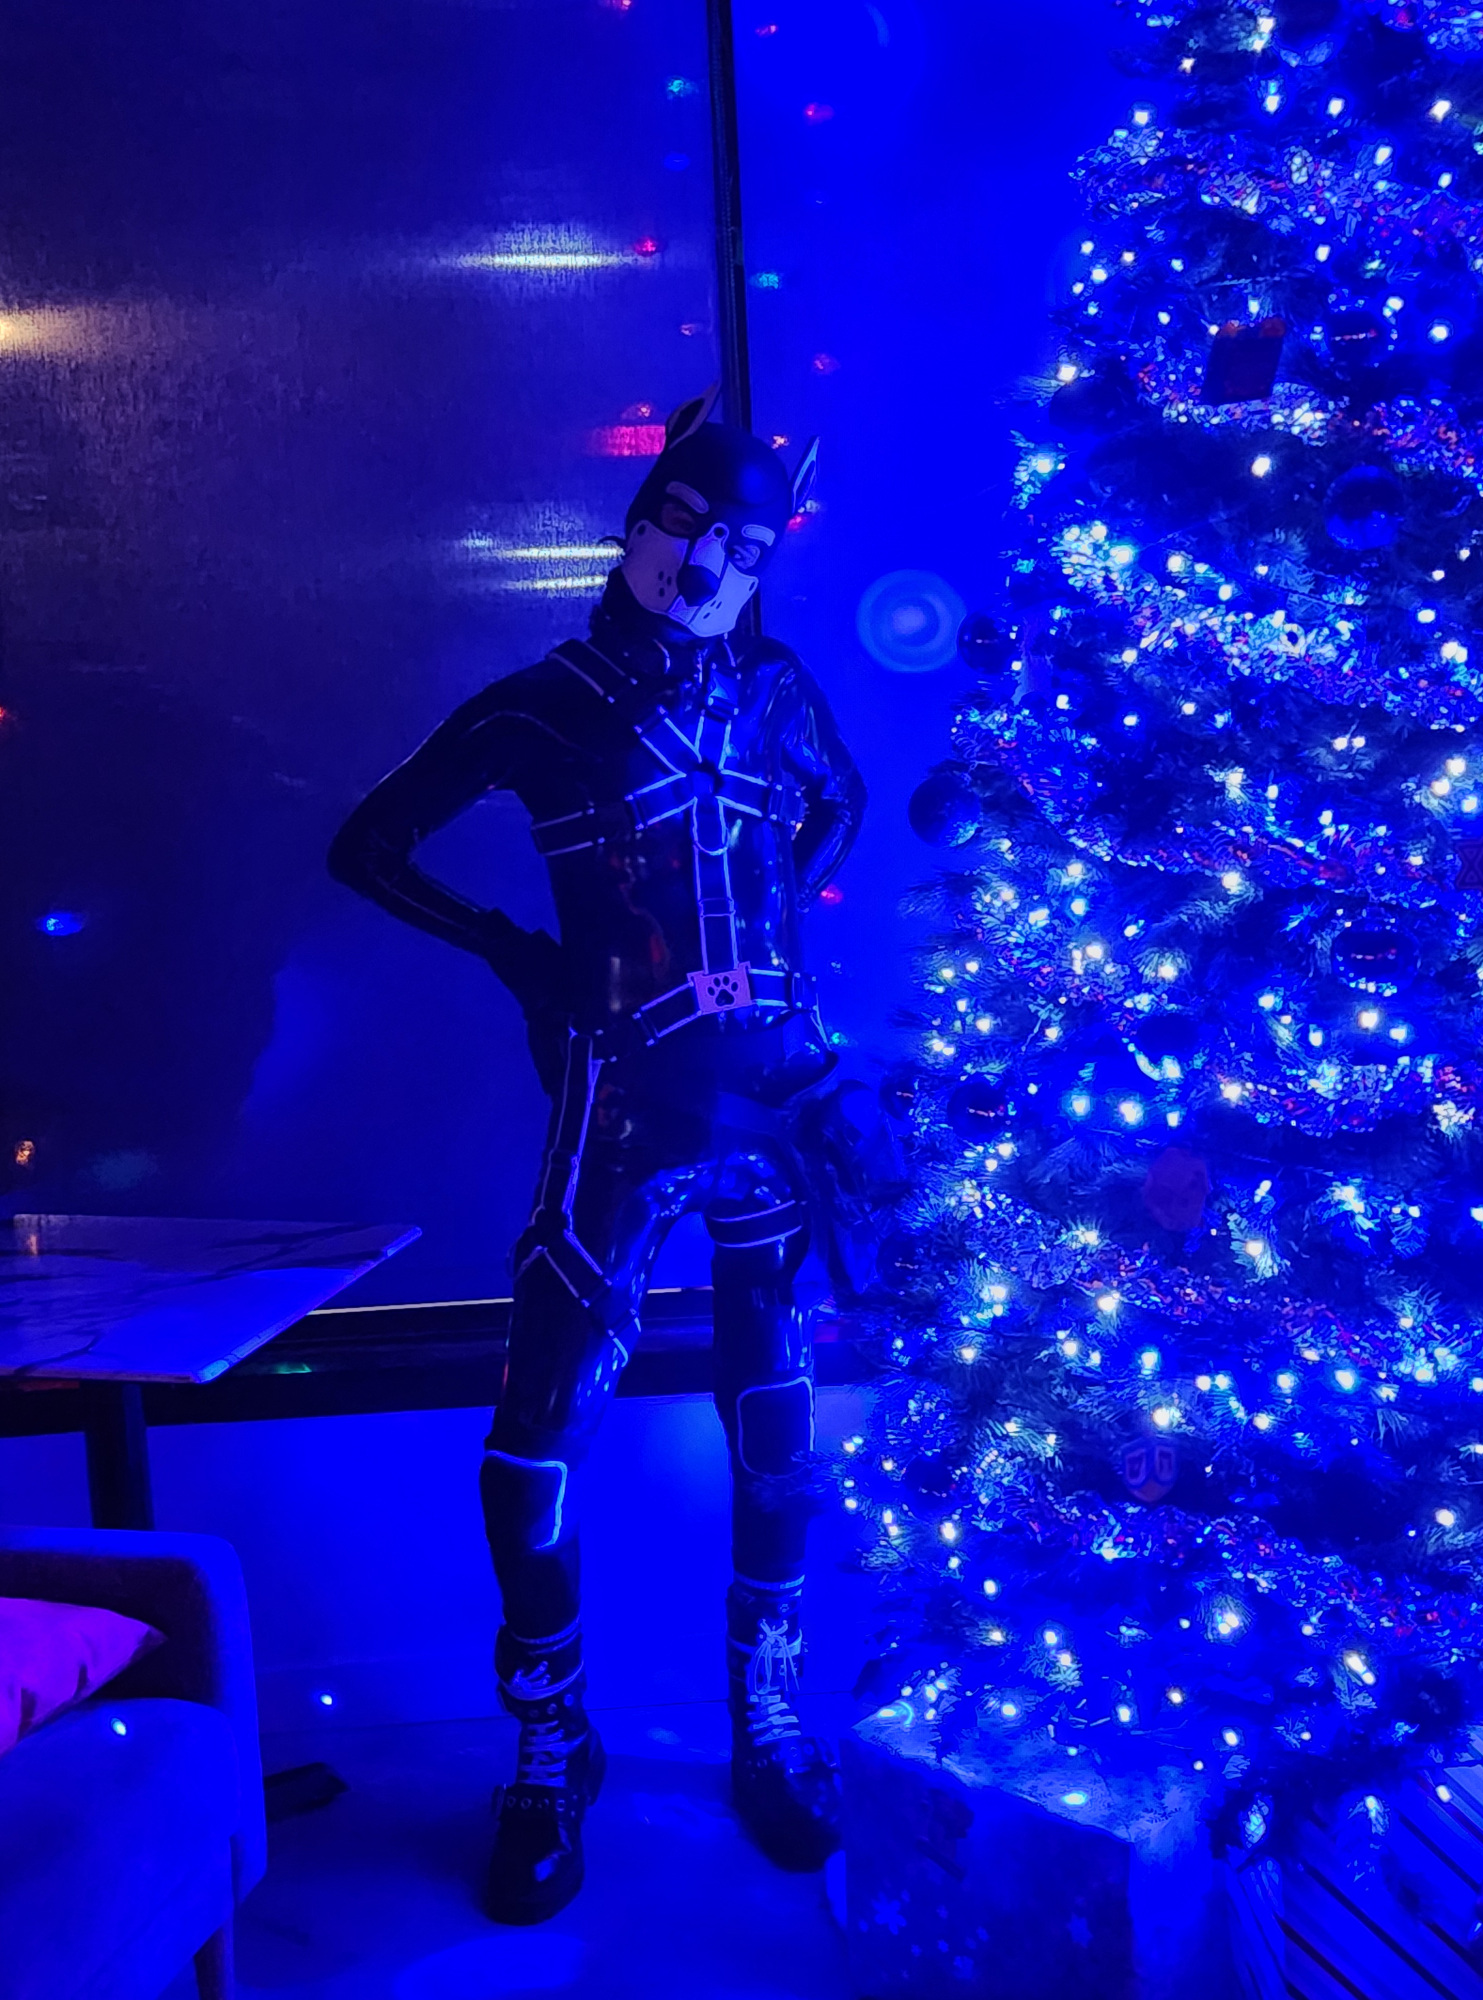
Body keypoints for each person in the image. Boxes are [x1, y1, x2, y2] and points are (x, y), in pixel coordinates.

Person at [328, 389, 865, 1924]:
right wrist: (520, 955)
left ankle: (765, 1708)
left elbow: (841, 804)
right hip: (619, 1107)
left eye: (744, 544)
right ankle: (553, 1736)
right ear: (639, 522)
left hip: (772, 1106)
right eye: (687, 525)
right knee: (535, 1445)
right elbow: (368, 843)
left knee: (778, 1426)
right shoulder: (542, 704)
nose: (707, 563)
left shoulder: (778, 690)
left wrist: (777, 957)